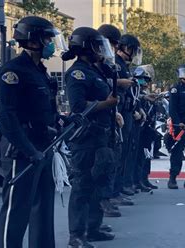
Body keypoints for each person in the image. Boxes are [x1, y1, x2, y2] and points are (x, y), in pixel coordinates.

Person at [0, 16, 65, 248]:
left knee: (43, 209)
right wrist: (28, 150)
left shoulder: (41, 71)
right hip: (22, 149)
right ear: (33, 40)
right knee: (16, 211)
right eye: (47, 38)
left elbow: (44, 110)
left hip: (43, 146)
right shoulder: (13, 71)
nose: (51, 43)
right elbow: (7, 117)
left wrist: (62, 120)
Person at [63, 27, 118, 247]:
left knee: (98, 182)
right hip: (86, 137)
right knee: (82, 186)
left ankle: (93, 228)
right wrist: (106, 104)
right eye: (98, 46)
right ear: (87, 47)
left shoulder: (94, 70)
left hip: (101, 136)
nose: (101, 51)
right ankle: (76, 235)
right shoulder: (77, 73)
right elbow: (77, 106)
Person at [97, 23, 127, 217]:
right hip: (93, 130)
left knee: (110, 164)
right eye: (112, 44)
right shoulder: (84, 70)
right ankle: (82, 230)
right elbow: (80, 105)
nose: (114, 49)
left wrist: (113, 110)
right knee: (93, 176)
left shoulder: (104, 66)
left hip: (109, 123)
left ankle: (94, 223)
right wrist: (108, 106)